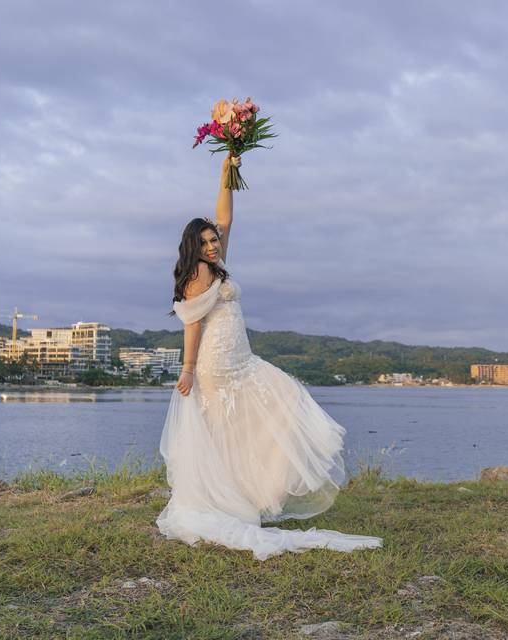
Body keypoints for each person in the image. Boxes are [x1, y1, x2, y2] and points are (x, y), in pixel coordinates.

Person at [155, 153, 382, 560]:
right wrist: (187, 370)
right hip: (219, 364)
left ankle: (246, 495)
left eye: (213, 240)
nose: (212, 245)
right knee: (262, 410)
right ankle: (230, 499)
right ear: (193, 246)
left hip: (240, 357)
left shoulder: (217, 261)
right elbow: (192, 325)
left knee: (252, 423)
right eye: (205, 242)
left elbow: (225, 215)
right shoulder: (200, 274)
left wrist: (228, 168)